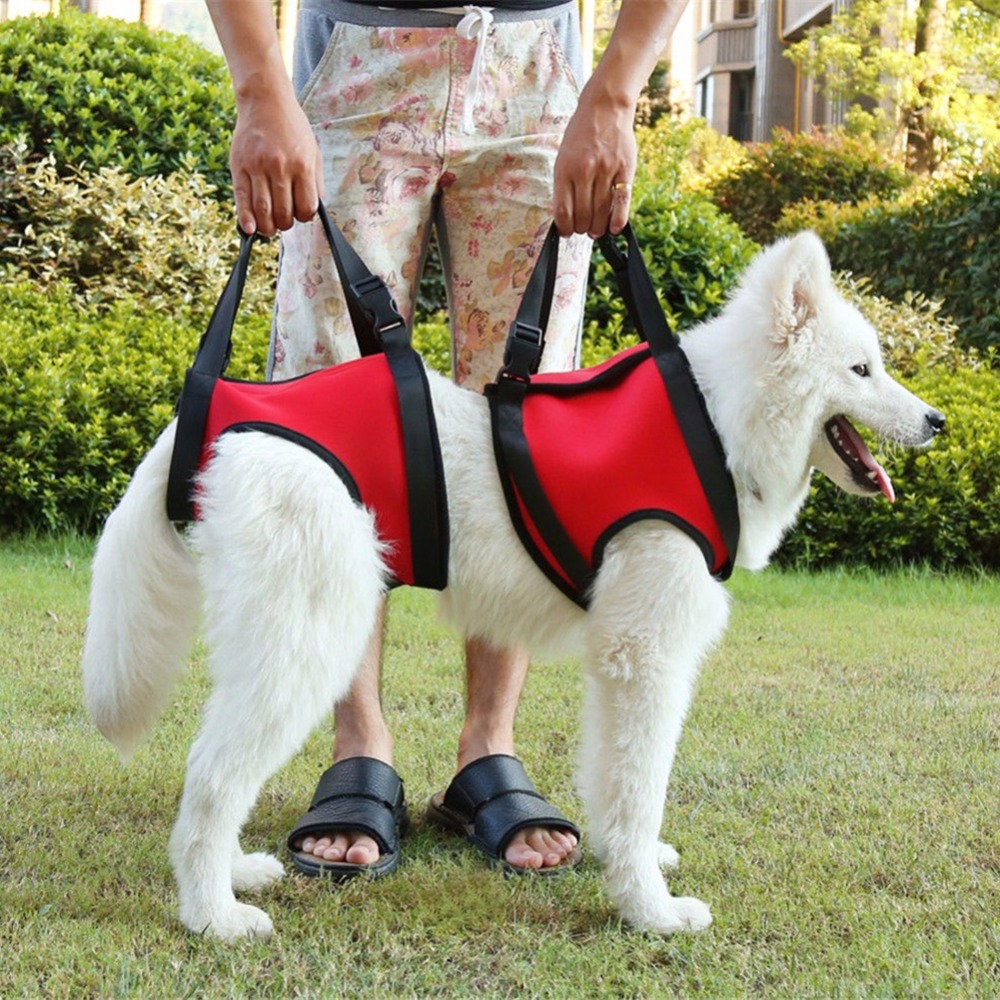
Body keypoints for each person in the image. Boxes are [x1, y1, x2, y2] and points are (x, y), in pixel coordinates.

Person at [206, 0, 690, 878]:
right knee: (333, 427)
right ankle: (358, 742)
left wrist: (617, 93)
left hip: (538, 73)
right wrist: (258, 87)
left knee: (527, 423)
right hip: (357, 57)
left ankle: (488, 747)